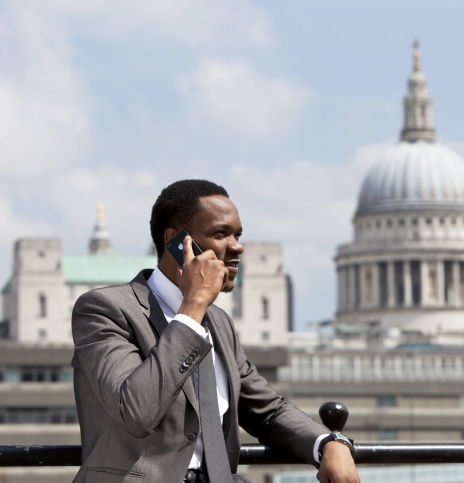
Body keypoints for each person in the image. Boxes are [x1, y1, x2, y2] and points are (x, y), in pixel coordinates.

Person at [71, 179, 360, 483]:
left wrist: (328, 443)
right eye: (220, 234)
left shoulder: (220, 322)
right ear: (176, 242)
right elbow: (135, 411)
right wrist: (193, 306)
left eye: (238, 234)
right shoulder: (105, 309)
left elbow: (267, 411)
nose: (237, 246)